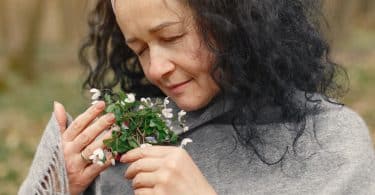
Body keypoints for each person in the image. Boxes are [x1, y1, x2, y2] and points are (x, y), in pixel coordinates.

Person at [19, 0, 375, 194]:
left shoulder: (332, 140)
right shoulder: (115, 140)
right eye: (139, 48)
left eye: (171, 37)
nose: (155, 68)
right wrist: (57, 185)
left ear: (233, 19)